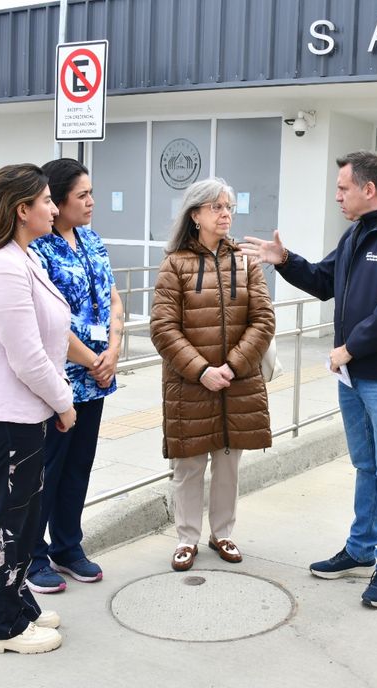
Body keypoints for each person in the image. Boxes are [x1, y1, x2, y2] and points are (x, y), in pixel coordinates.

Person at [241, 151, 377, 608]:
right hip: (352, 376)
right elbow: (324, 279)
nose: (337, 197)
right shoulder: (356, 235)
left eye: (343, 188)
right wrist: (284, 259)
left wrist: (351, 347)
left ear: (369, 189)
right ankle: (361, 548)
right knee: (365, 465)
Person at [0, 163, 77, 655]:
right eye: (47, 201)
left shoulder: (22, 257)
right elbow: (26, 355)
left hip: (23, 413)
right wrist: (65, 403)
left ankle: (14, 602)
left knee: (23, 520)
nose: (55, 208)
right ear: (21, 209)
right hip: (6, 415)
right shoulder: (4, 266)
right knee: (6, 521)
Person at [150, 178, 274, 572]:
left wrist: (233, 367)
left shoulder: (245, 261)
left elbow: (263, 319)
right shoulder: (175, 264)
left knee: (228, 460)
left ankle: (222, 532)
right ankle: (186, 537)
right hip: (190, 383)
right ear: (196, 214)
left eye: (229, 207)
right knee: (188, 464)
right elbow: (163, 328)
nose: (225, 214)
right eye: (217, 207)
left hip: (236, 381)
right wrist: (202, 370)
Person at [24, 158, 123, 594]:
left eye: (91, 193)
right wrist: (90, 359)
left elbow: (114, 300)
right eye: (82, 195)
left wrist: (113, 351)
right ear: (58, 200)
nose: (91, 202)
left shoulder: (92, 239)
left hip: (97, 377)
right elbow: (48, 322)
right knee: (48, 469)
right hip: (59, 379)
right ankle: (32, 554)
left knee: (78, 467)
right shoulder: (38, 249)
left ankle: (68, 546)